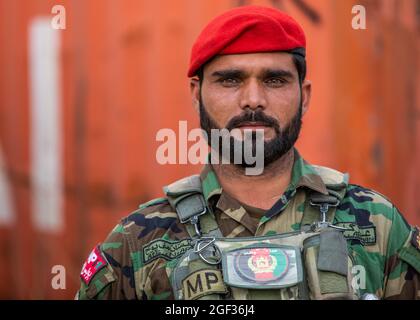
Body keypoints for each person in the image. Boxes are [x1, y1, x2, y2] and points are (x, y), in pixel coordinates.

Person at [76, 5, 420, 300]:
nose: (253, 99)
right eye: (230, 80)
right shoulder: (138, 241)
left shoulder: (377, 225)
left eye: (274, 80)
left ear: (305, 96)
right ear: (197, 94)